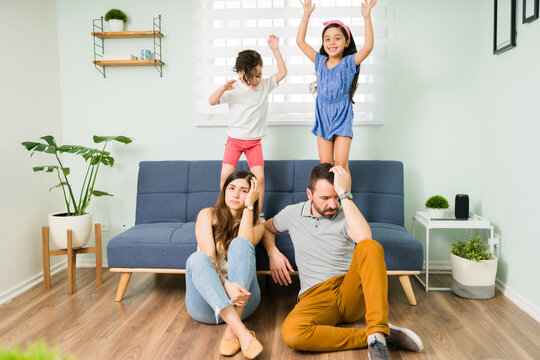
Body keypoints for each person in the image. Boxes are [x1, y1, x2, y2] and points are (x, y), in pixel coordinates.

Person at [261, 163, 424, 360]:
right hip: (314, 295)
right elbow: (266, 228)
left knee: (370, 247)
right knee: (293, 334)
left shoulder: (346, 210)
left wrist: (344, 194)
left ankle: (377, 331)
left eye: (335, 197)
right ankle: (376, 336)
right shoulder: (292, 213)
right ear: (309, 194)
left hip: (349, 290)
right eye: (324, 198)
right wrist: (273, 252)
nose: (332, 204)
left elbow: (364, 237)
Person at [185, 170, 265, 359]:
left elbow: (245, 243)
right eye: (231, 188)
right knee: (196, 259)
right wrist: (226, 284)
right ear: (224, 191)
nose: (236, 195)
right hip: (206, 304)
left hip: (243, 304)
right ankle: (242, 333)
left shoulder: (258, 225)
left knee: (240, 243)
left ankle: (231, 332)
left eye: (244, 190)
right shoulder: (207, 214)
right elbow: (209, 256)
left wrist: (249, 208)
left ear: (252, 195)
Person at [209, 35, 287, 219]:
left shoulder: (265, 84)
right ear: (239, 74)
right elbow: (212, 101)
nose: (254, 81)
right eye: (249, 77)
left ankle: (257, 212)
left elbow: (282, 72)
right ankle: (225, 210)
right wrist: (222, 89)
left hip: (254, 143)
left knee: (259, 177)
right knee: (225, 175)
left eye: (258, 75)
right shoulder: (233, 88)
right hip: (234, 141)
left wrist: (275, 50)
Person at [297, 0, 377, 171]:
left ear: (346, 42)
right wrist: (306, 15)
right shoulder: (320, 61)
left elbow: (368, 47)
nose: (331, 43)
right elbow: (300, 42)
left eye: (337, 38)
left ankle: (345, 197)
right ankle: (328, 198)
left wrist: (366, 16)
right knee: (326, 166)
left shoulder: (349, 62)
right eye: (327, 39)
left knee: (340, 165)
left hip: (342, 114)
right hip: (322, 113)